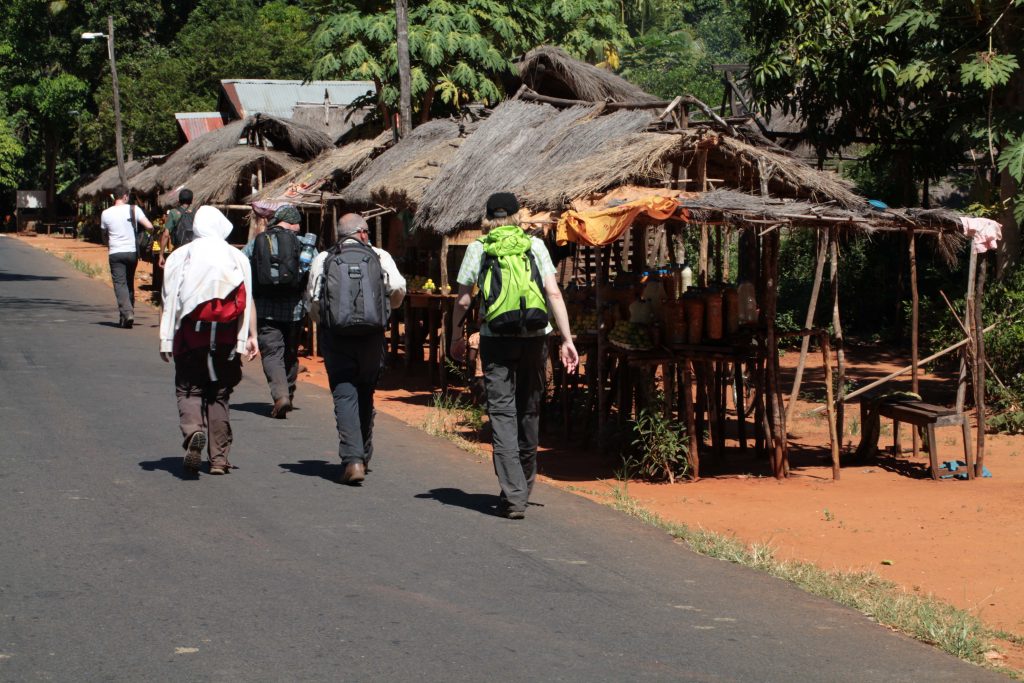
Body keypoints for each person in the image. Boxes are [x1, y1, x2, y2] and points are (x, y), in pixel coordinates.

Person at [449, 192, 579, 520]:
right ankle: (523, 486)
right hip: (535, 337)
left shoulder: (479, 248)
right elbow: (552, 292)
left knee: (503, 414)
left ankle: (514, 493)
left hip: (496, 340)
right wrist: (566, 338)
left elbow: (464, 300)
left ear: (488, 217)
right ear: (519, 215)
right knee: (529, 411)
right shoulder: (534, 246)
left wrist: (455, 335)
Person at [306, 213, 406, 485]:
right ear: (362, 233)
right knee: (365, 389)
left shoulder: (323, 258)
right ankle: (363, 453)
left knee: (344, 391)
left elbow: (314, 300)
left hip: (336, 336)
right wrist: (385, 309)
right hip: (372, 336)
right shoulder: (379, 256)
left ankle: (353, 459)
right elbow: (397, 287)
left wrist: (325, 321)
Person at [160, 206, 259, 476]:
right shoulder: (236, 257)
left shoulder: (181, 255)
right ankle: (218, 459)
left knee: (189, 389)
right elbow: (247, 298)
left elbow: (169, 298)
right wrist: (250, 337)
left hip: (190, 335)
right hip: (226, 337)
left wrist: (166, 339)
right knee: (219, 394)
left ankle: (193, 432)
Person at [242, 205, 308, 418]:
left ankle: (281, 396)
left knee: (272, 353)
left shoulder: (258, 242)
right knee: (290, 353)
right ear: (295, 223)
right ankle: (287, 392)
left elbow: (242, 263)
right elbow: (316, 273)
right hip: (295, 311)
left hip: (265, 309)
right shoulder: (305, 245)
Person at [100, 185, 154, 328]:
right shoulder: (134, 209)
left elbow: (103, 234)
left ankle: (128, 312)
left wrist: (109, 244)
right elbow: (149, 226)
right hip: (131, 253)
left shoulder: (106, 213)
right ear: (125, 196)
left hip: (115, 253)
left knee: (120, 284)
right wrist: (146, 233)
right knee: (129, 283)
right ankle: (125, 317)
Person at [158, 188, 196, 268]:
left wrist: (161, 254)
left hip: (178, 251)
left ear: (179, 200)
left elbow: (166, 235)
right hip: (192, 253)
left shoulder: (173, 213)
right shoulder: (195, 213)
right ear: (192, 201)